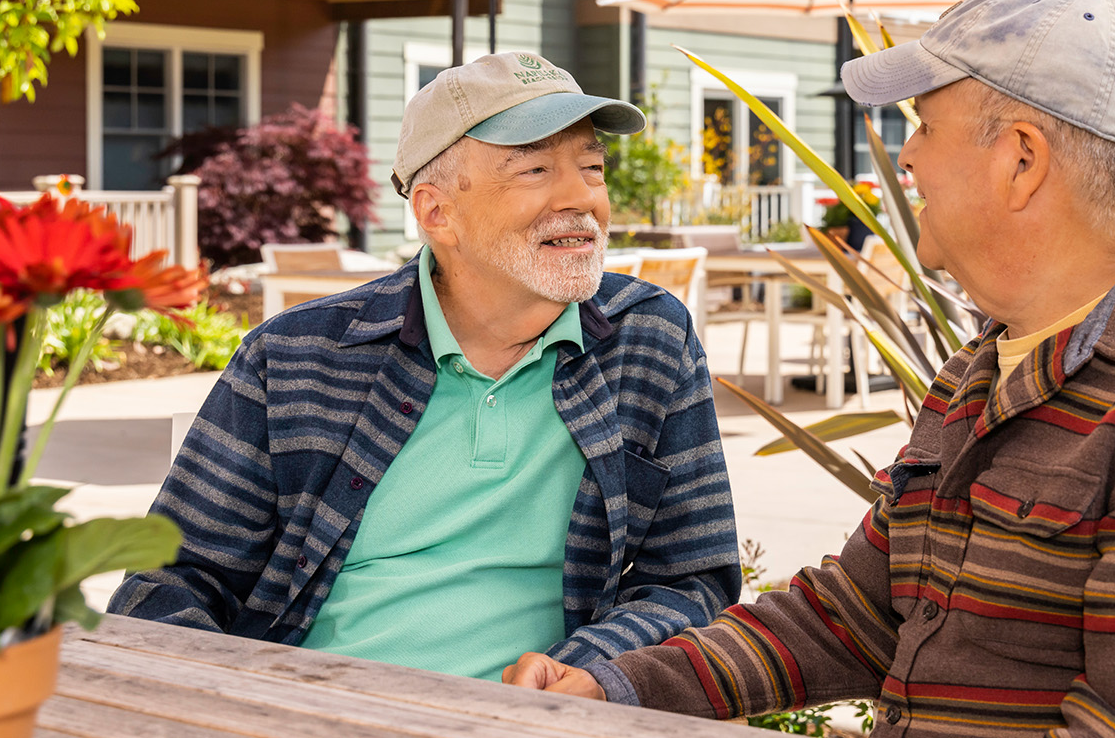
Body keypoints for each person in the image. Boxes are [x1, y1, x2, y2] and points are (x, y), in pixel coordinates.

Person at [504, 0, 1115, 735]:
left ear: (1022, 161)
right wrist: (613, 687)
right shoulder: (1002, 358)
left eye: (924, 123)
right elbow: (855, 613)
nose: (907, 155)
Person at [109, 52, 741, 682]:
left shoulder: (648, 337)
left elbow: (693, 576)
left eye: (592, 167)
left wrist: (588, 672)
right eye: (535, 170)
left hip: (530, 723)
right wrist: (241, 706)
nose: (582, 199)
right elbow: (172, 582)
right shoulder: (297, 358)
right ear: (438, 213)